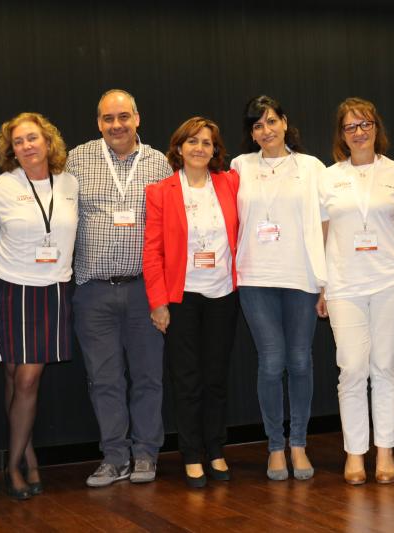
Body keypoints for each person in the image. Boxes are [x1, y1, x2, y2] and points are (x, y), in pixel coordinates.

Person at [66, 89, 172, 487]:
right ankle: (114, 456)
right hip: (93, 291)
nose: (117, 125)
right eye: (108, 118)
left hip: (144, 290)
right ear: (98, 123)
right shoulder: (77, 159)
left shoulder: (159, 163)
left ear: (137, 118)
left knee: (148, 377)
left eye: (123, 116)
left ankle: (146, 454)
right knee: (104, 379)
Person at [315, 97, 394, 485]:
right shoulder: (328, 177)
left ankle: (385, 451)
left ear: (376, 128)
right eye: (350, 126)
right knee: (352, 369)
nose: (359, 132)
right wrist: (321, 284)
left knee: (386, 367)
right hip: (344, 285)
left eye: (365, 124)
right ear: (341, 134)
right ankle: (355, 453)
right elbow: (322, 232)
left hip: (392, 281)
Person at [232, 95, 327, 481]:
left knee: (300, 360)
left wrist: (326, 281)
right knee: (271, 362)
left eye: (271, 121)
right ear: (251, 133)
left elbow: (325, 225)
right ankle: (275, 446)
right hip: (255, 277)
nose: (266, 130)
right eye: (257, 125)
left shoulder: (312, 167)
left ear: (285, 122)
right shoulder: (240, 166)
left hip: (301, 276)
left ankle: (298, 443)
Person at [0, 112, 78, 499]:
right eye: (18, 142)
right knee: (13, 376)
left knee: (26, 380)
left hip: (52, 289)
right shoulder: (2, 186)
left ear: (48, 141)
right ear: (11, 150)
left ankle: (16, 462)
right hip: (10, 288)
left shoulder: (69, 182)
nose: (26, 146)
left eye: (32, 138)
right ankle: (24, 459)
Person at [143, 117, 239, 488]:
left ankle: (215, 449)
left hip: (223, 295)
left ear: (215, 150)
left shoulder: (230, 183)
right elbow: (152, 251)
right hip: (181, 297)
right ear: (179, 148)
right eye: (192, 141)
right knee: (187, 380)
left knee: (216, 379)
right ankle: (192, 454)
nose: (200, 148)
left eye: (207, 142)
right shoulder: (160, 191)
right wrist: (158, 302)